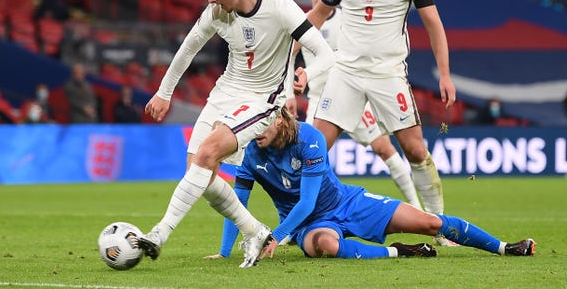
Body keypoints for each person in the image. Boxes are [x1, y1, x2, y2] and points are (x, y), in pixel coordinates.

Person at [137, 0, 335, 268]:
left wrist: (306, 74)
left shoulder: (281, 8)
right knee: (198, 172)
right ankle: (254, 231)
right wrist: (164, 93)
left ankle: (159, 234)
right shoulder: (217, 13)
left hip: (264, 98)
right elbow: (187, 50)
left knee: (206, 155)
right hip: (226, 91)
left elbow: (326, 54)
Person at [305, 0, 456, 244]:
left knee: (416, 151)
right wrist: (287, 48)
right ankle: (298, 222)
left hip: (388, 74)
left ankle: (440, 228)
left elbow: (433, 24)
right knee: (312, 149)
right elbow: (319, 13)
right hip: (345, 73)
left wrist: (444, 75)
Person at [206, 107, 535, 261]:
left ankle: (505, 248)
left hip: (345, 203)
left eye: (262, 124)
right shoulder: (248, 151)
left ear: (279, 119)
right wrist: (224, 253)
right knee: (326, 247)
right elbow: (237, 202)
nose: (255, 131)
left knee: (430, 222)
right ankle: (399, 252)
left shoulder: (309, 138)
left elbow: (308, 199)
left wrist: (274, 238)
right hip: (309, 225)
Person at [299, 0, 421, 209]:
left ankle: (417, 208)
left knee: (385, 149)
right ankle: (303, 219)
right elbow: (288, 55)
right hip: (319, 100)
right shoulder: (302, 23)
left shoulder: (348, 19)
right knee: (310, 160)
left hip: (351, 94)